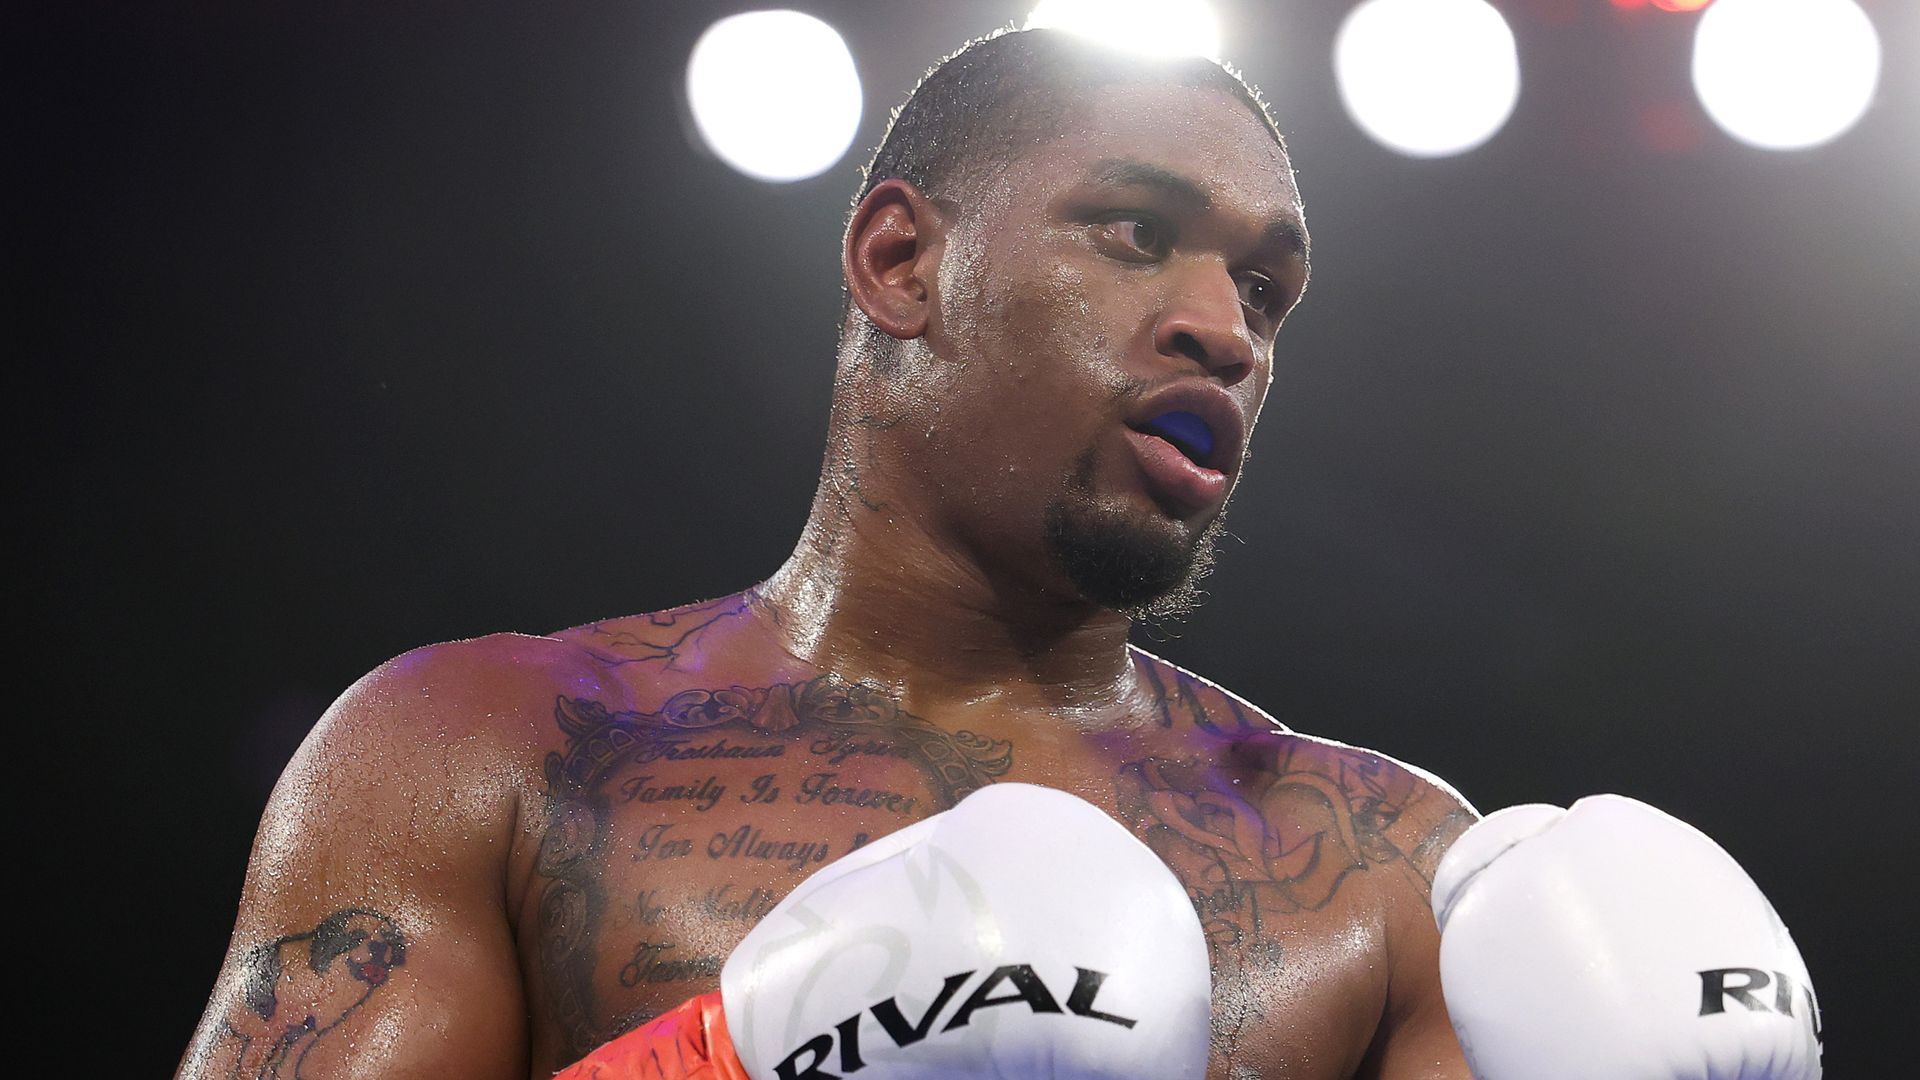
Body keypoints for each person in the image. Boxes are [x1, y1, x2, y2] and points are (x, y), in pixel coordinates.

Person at [178, 29, 1816, 1080]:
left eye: (1267, 289)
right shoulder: (483, 754)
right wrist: (725, 1060)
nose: (1225, 327)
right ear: (902, 260)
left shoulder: (1387, 871)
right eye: (1137, 232)